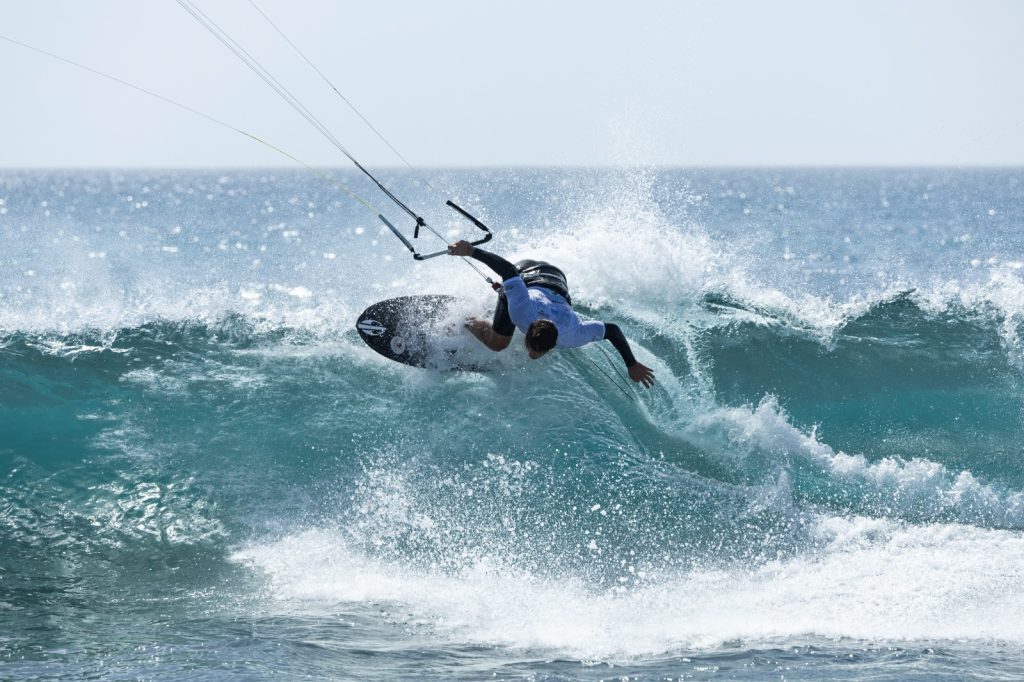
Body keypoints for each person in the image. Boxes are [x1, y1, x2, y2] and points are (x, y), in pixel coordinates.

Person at [447, 240, 655, 388]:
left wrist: (632, 364)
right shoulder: (524, 312)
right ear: (527, 332)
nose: (531, 355)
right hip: (527, 272)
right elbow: (509, 270)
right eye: (533, 350)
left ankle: (496, 307)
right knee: (499, 344)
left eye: (537, 353)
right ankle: (466, 318)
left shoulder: (572, 333)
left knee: (512, 295)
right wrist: (472, 251)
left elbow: (612, 330)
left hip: (555, 276)